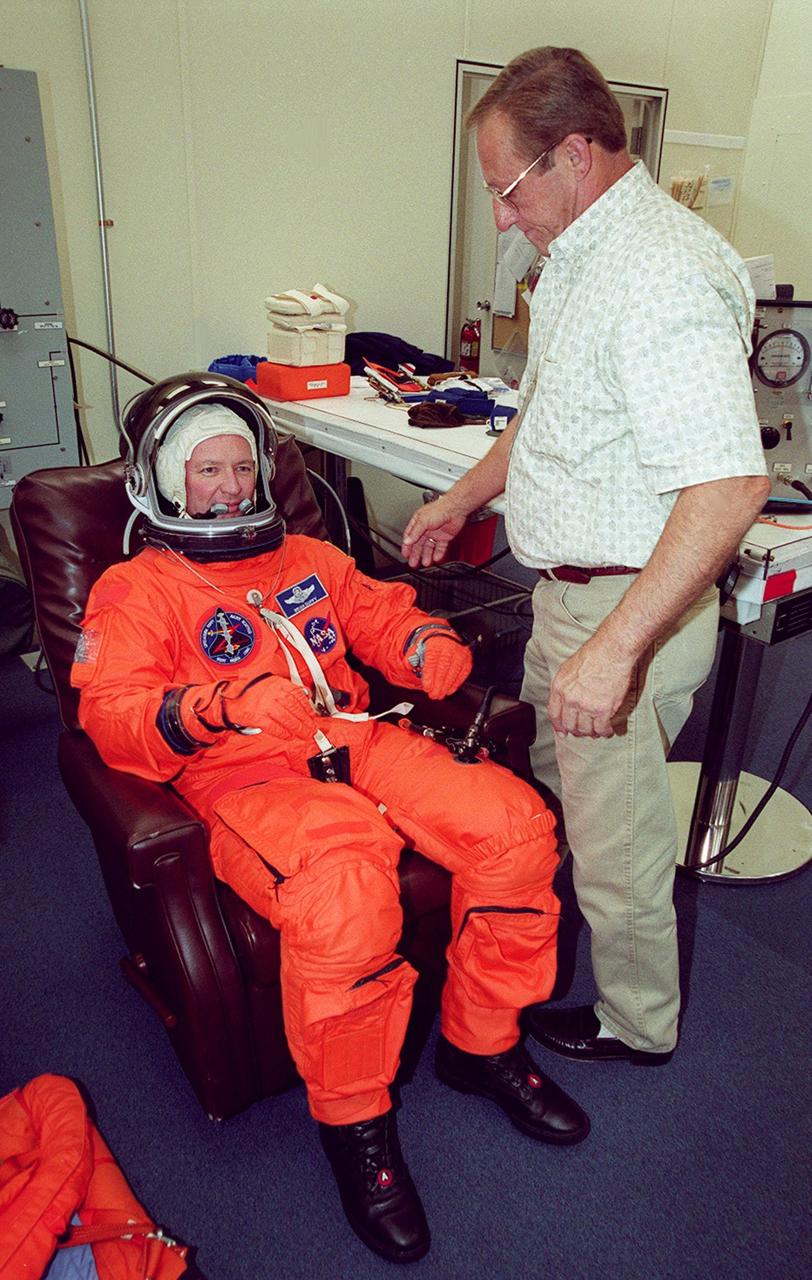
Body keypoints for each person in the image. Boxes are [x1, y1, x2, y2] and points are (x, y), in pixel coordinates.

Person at [71, 376, 589, 1266]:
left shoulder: (308, 558)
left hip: (352, 738)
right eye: (207, 471)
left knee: (514, 827)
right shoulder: (137, 589)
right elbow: (111, 717)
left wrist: (421, 644)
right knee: (347, 897)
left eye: (241, 466)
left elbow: (374, 611)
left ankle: (481, 1042)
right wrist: (217, 705)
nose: (230, 487)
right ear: (162, 483)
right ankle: (357, 1126)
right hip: (242, 780)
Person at [402, 47, 770, 1069]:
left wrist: (611, 653)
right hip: (569, 597)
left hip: (623, 610)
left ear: (571, 155)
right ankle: (561, 941)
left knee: (616, 842)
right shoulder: (579, 258)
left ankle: (635, 1022)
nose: (499, 217)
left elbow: (728, 487)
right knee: (564, 785)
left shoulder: (659, 270)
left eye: (505, 190)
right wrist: (458, 497)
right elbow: (543, 419)